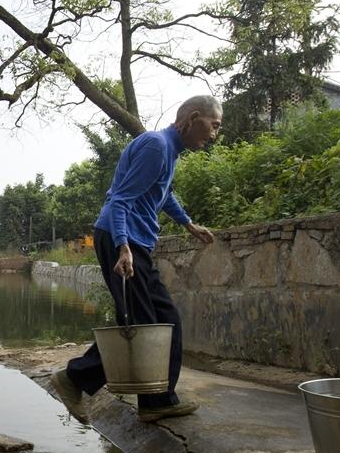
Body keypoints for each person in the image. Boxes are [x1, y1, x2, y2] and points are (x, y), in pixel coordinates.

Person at [51, 95, 221, 422]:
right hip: (123, 240)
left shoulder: (167, 151)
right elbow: (120, 199)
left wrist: (188, 223)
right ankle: (74, 379)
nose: (214, 134)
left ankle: (157, 399)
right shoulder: (157, 147)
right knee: (139, 323)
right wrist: (123, 246)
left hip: (134, 241)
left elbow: (163, 194)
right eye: (213, 126)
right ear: (192, 118)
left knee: (162, 318)